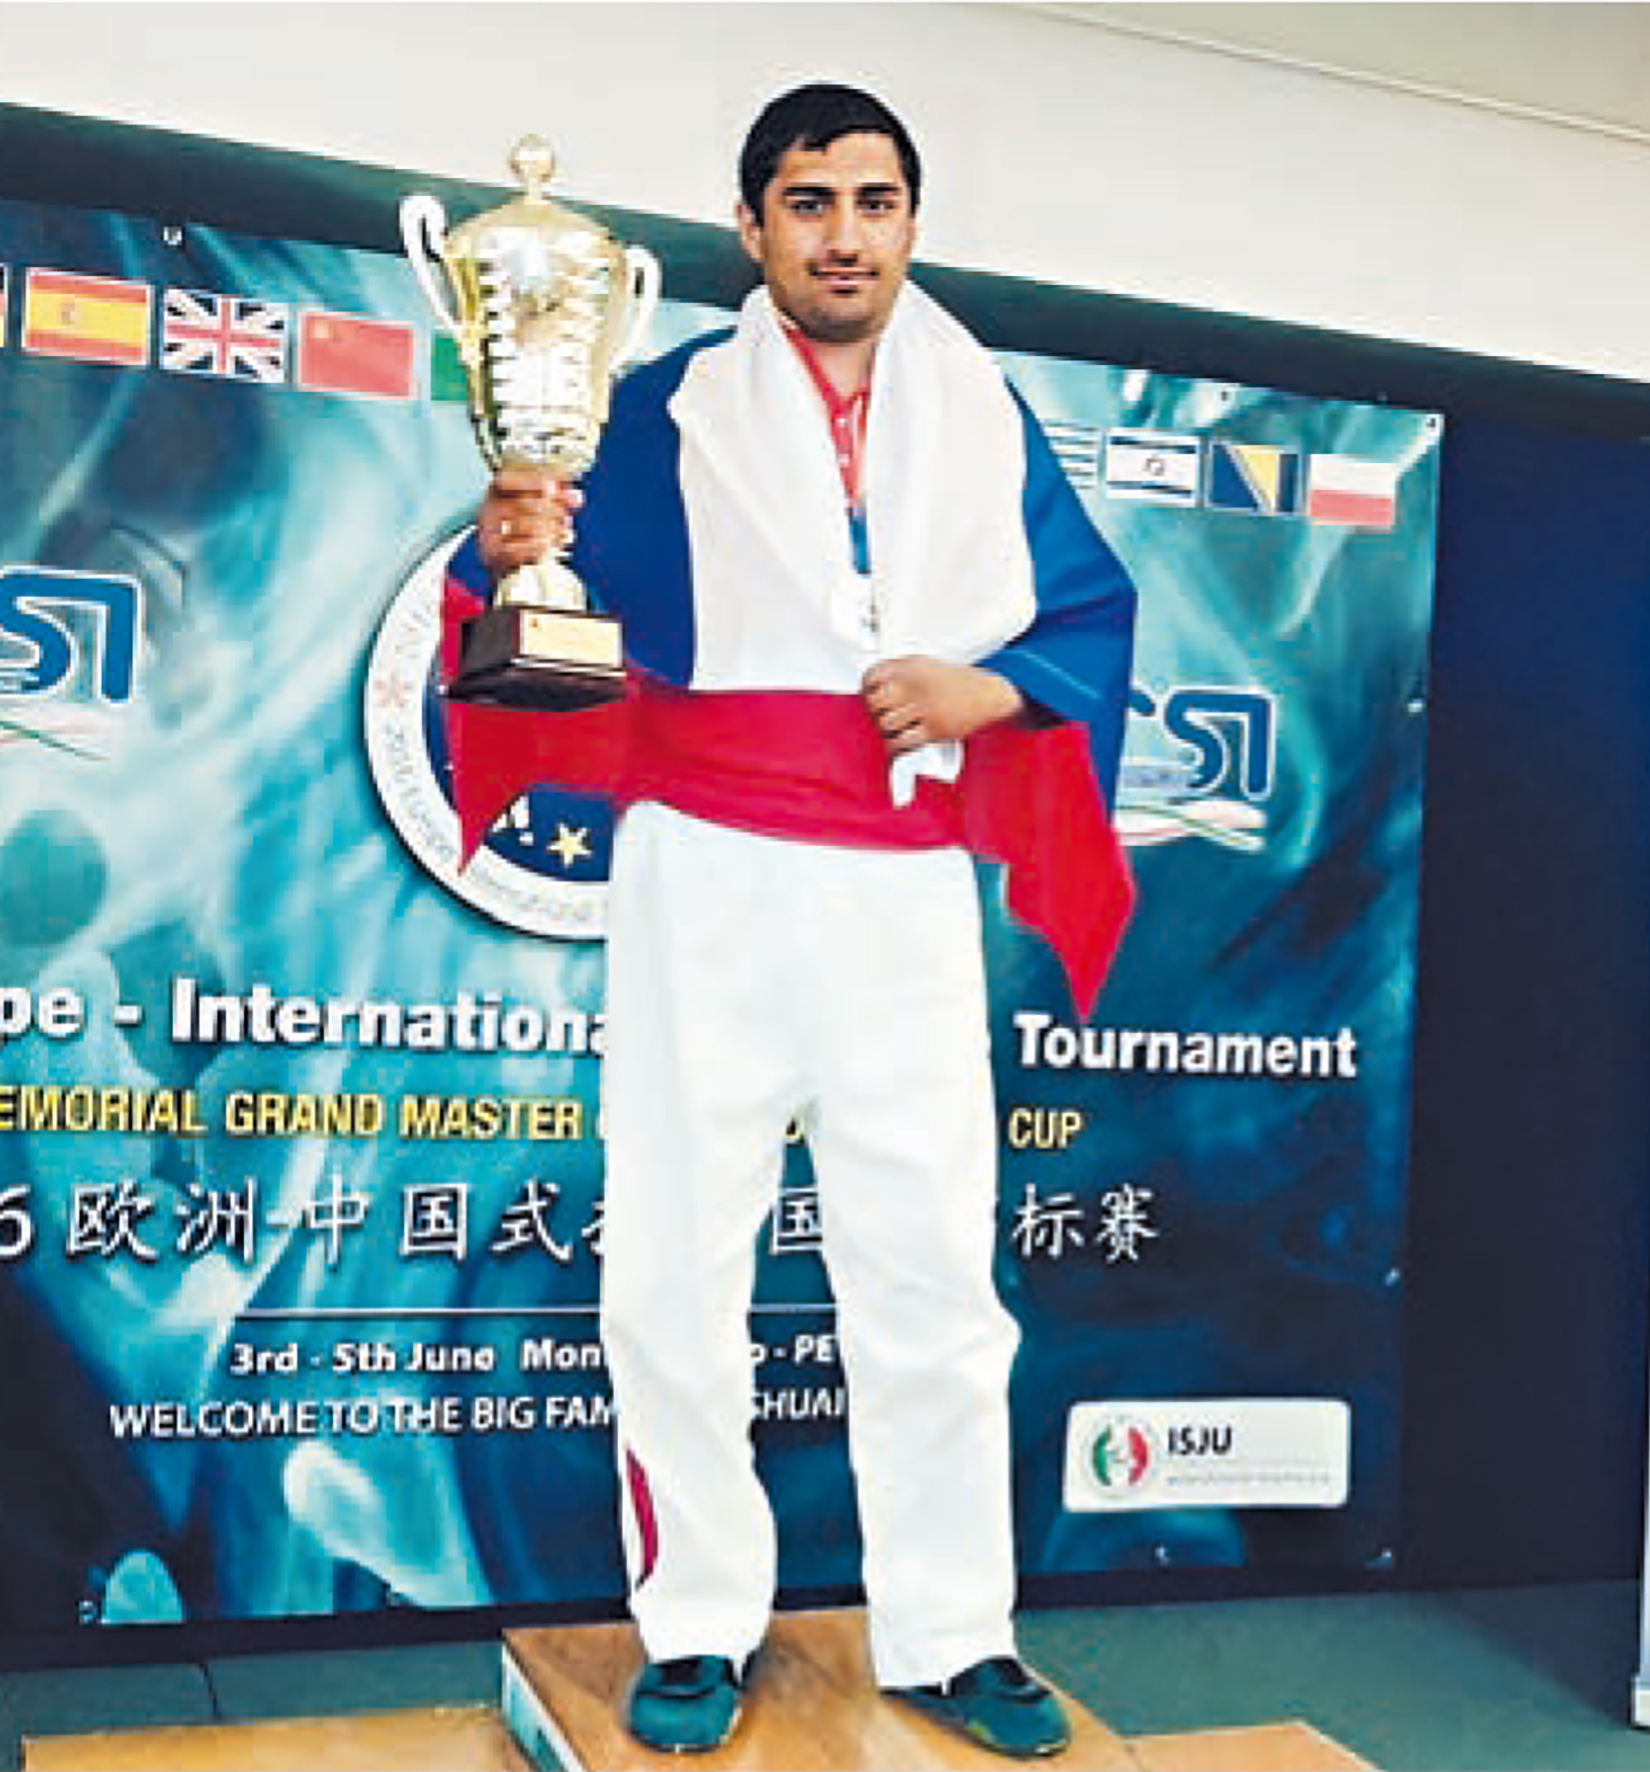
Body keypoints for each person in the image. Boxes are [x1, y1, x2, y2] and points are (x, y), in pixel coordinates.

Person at [447, 82, 1137, 1759]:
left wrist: (984, 689)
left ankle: (956, 1632)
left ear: (912, 223)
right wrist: (508, 549)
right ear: (751, 226)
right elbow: (545, 619)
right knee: (676, 1261)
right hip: (707, 867)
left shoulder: (984, 409)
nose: (845, 236)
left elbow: (1083, 617)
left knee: (933, 1271)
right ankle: (694, 1620)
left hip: (899, 878)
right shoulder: (661, 402)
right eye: (810, 202)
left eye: (875, 202)